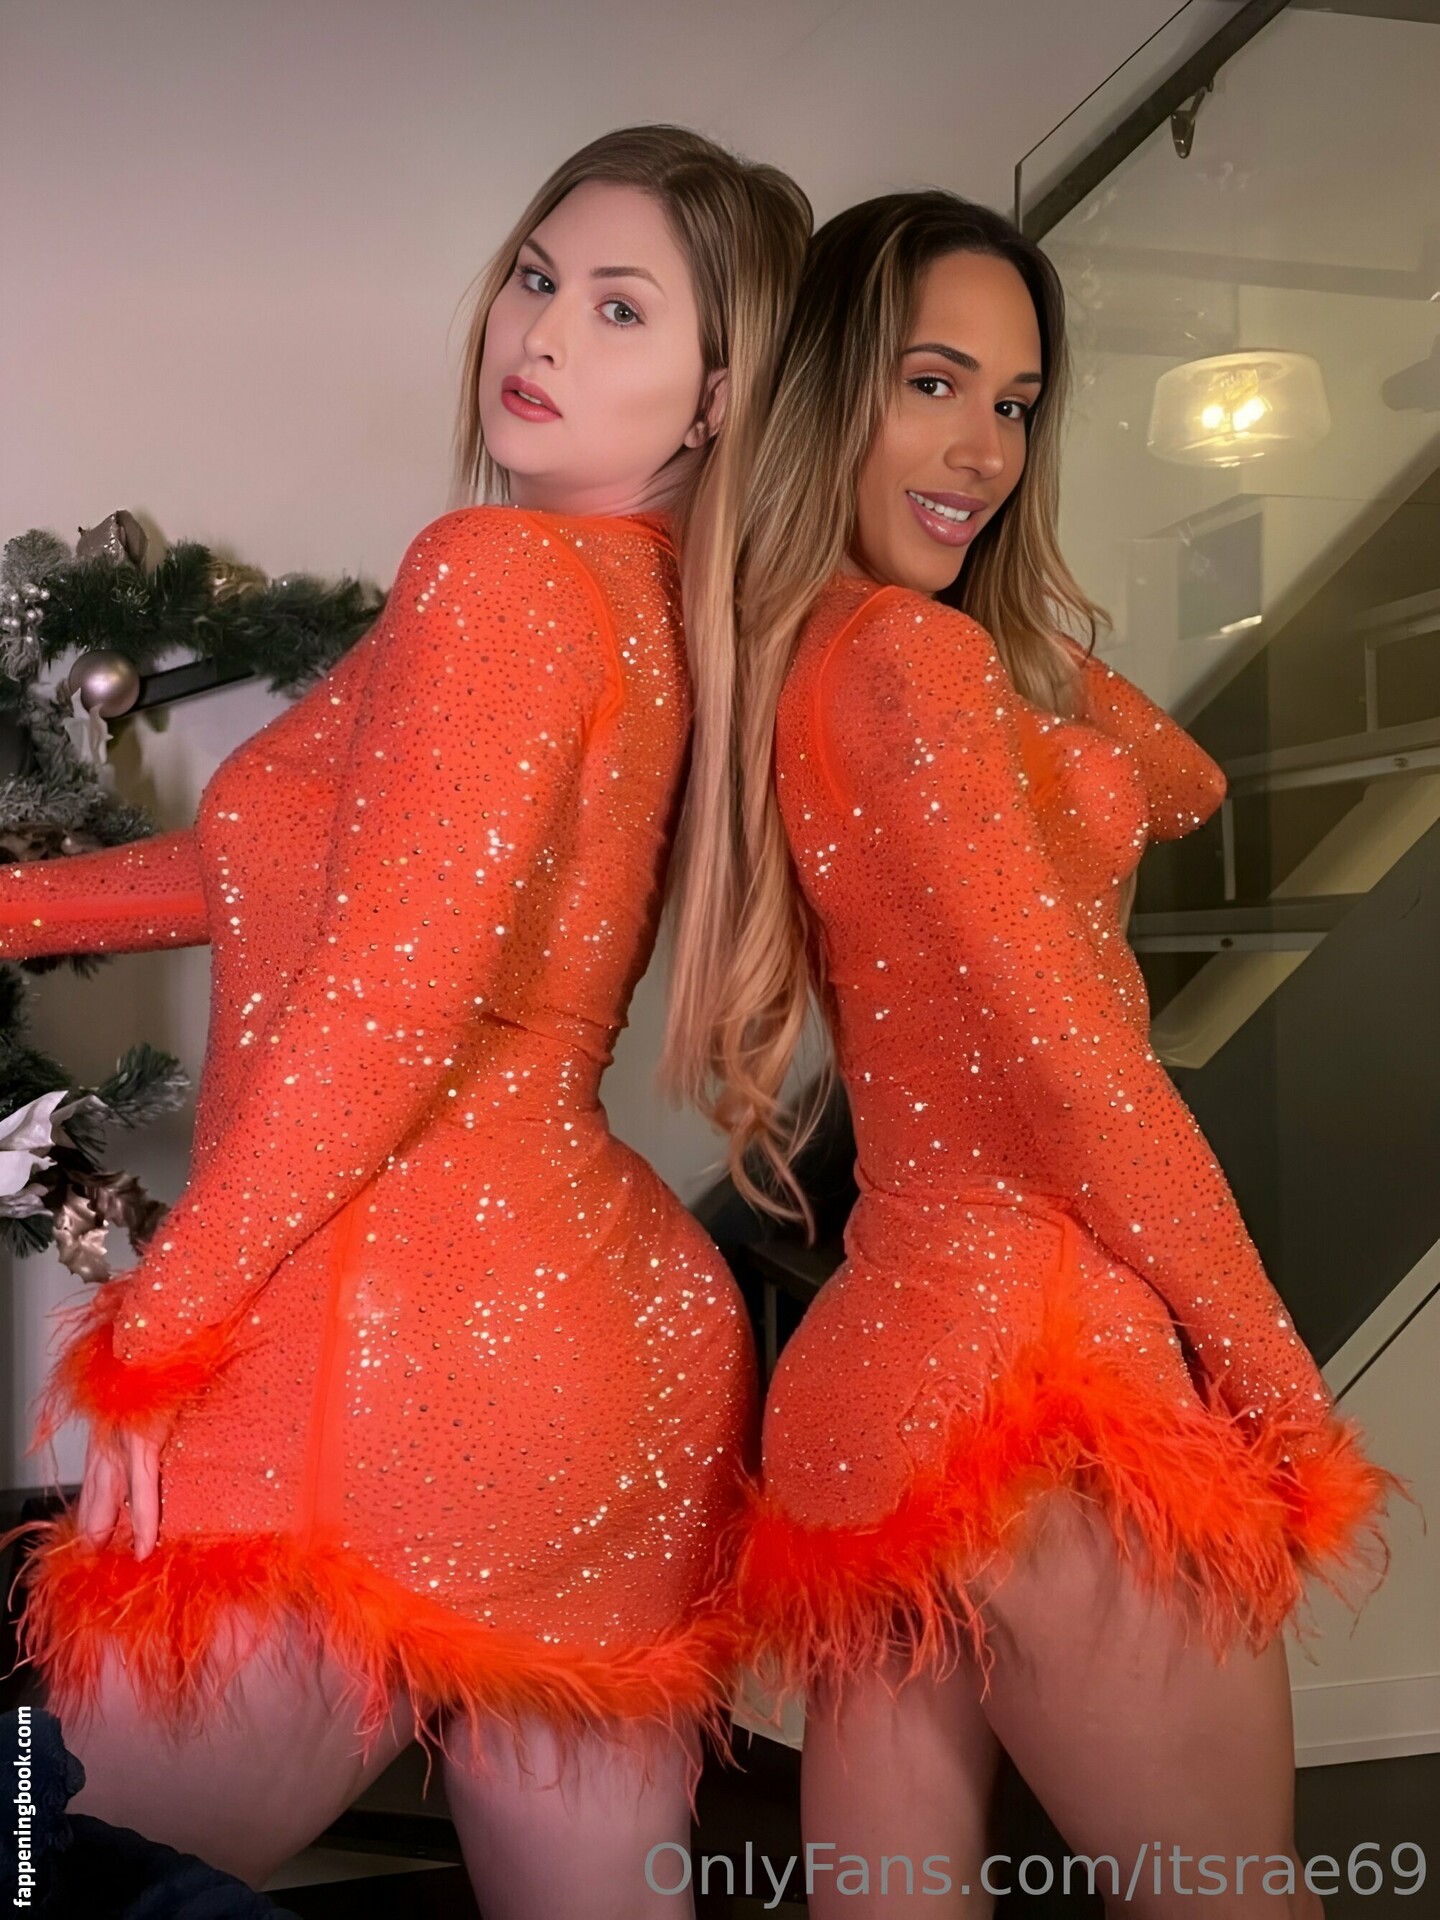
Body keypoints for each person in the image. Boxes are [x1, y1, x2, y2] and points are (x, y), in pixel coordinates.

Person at [1, 125, 809, 1918]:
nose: (544, 332)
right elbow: (277, 872)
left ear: (717, 397)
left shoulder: (495, 575)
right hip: (604, 1357)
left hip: (382, 1347)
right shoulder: (636, 603)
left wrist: (162, 1330)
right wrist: (17, 905)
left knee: (43, 1871)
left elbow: (386, 997)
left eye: (622, 309)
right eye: (537, 276)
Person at [662, 191, 1399, 1918]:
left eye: (1014, 402)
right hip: (1044, 1379)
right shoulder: (916, 666)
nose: (982, 449)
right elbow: (1081, 1075)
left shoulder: (812, 655)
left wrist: (1022, 656)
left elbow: (1185, 784)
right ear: (827, 391)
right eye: (931, 384)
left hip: (877, 1382)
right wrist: (1278, 1387)